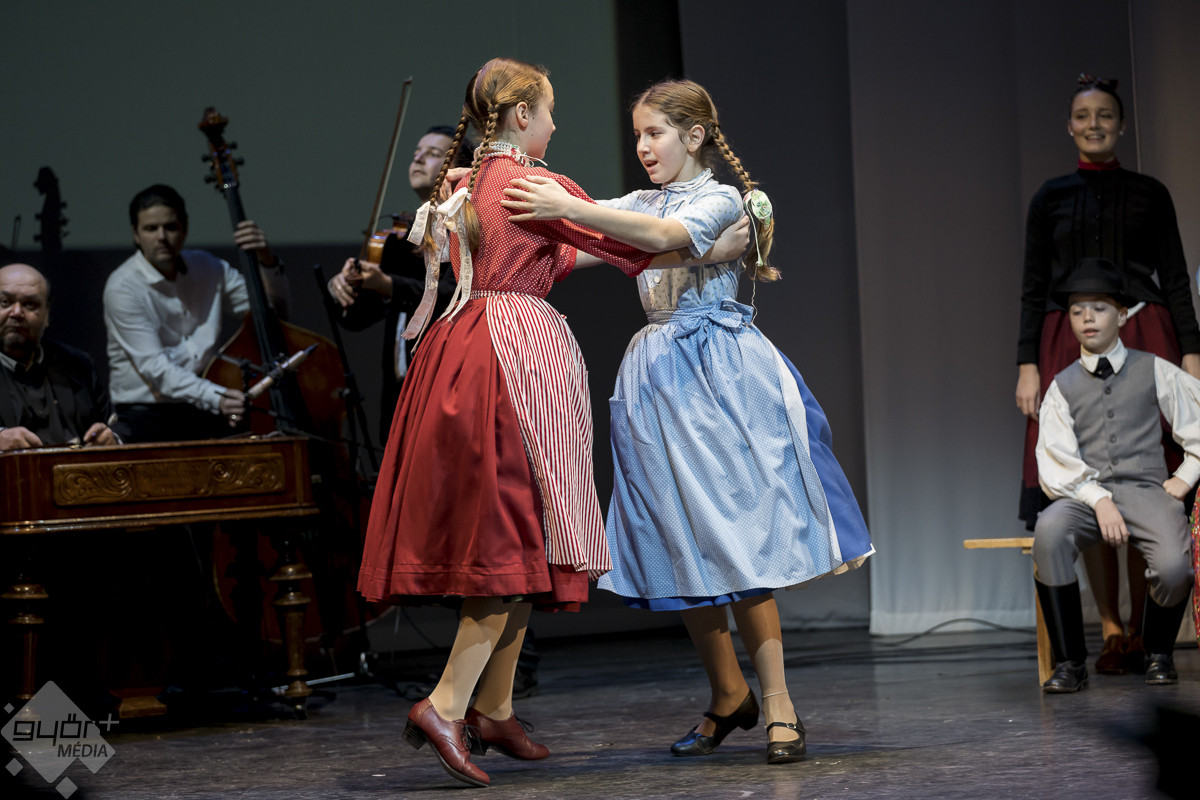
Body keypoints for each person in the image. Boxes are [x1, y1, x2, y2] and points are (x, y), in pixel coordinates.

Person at [357, 58, 747, 788]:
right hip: (513, 353)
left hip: (460, 347)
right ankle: (447, 703)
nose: (556, 124)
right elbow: (632, 246)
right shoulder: (535, 183)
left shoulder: (466, 184)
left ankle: (495, 707)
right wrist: (717, 244)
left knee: (521, 527)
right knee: (513, 527)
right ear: (521, 116)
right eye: (549, 111)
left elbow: (555, 254)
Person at [502, 79, 873, 765]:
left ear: (694, 136)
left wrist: (571, 207)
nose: (643, 147)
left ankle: (779, 703)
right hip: (656, 380)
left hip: (718, 375)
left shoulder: (721, 199)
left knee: (739, 534)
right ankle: (729, 694)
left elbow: (662, 237)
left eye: (655, 134)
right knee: (681, 537)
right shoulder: (640, 202)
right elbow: (582, 243)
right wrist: (497, 200)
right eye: (637, 136)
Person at [1015, 75, 1200, 675]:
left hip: (1147, 331)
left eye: (1104, 115)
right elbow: (1033, 286)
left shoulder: (1150, 193)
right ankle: (1109, 626)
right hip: (1067, 338)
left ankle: (1147, 633)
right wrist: (1027, 362)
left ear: (1121, 125)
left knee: (1150, 474)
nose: (1093, 124)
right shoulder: (1050, 198)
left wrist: (1191, 351)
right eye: (1082, 115)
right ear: (1069, 125)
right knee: (1082, 469)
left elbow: (1175, 274)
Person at [1033, 257, 1198, 691]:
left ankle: (1157, 652)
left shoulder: (1154, 368)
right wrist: (1098, 498)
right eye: (1077, 310)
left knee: (1173, 566)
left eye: (1099, 308)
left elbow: (1197, 424)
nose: (1087, 317)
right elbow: (1055, 460)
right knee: (1049, 532)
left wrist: (1185, 476)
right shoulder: (1062, 385)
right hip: (1086, 494)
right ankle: (1071, 662)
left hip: (1146, 489)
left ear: (1123, 315)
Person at [103, 184, 288, 443]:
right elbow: (156, 369)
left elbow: (270, 313)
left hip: (202, 405)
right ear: (136, 234)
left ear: (185, 228)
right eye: (151, 229)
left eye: (170, 227)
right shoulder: (122, 286)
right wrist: (217, 397)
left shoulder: (208, 267)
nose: (162, 237)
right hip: (146, 414)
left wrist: (266, 261)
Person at [327, 126, 468, 440]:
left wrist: (389, 285)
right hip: (399, 394)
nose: (418, 159)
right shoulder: (400, 238)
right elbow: (358, 317)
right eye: (417, 152)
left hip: (447, 387)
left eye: (433, 154)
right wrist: (343, 286)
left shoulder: (464, 229)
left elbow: (452, 294)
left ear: (459, 168)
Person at [1, 262, 117, 449]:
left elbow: (113, 424)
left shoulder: (77, 364)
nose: (17, 313)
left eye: (29, 304)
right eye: (5, 302)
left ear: (47, 315)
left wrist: (111, 439)